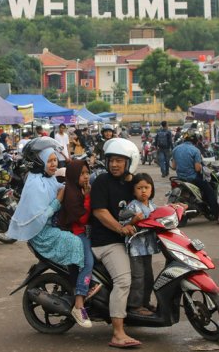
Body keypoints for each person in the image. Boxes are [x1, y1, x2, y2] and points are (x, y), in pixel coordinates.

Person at [6, 138, 91, 328]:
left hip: (52, 227)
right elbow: (40, 218)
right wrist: (58, 201)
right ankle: (80, 293)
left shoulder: (49, 179)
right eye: (49, 160)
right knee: (76, 243)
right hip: (43, 234)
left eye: (55, 160)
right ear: (40, 162)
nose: (54, 164)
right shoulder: (35, 185)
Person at [90, 138, 142, 348]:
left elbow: (145, 199)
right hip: (106, 242)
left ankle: (136, 309)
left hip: (126, 241)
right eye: (111, 160)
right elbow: (100, 212)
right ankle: (118, 333)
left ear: (130, 162)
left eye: (120, 160)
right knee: (123, 281)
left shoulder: (133, 183)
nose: (114, 164)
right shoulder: (102, 181)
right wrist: (121, 229)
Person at [57, 159, 102, 318]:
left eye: (87, 173)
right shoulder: (71, 192)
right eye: (81, 173)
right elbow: (81, 218)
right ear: (74, 174)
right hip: (74, 232)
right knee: (87, 262)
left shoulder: (80, 189)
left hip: (82, 231)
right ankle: (79, 300)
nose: (85, 176)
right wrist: (88, 197)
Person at [119, 173, 159, 317]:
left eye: (146, 187)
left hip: (147, 248)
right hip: (135, 249)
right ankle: (135, 306)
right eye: (139, 188)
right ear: (134, 190)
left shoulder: (153, 205)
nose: (143, 191)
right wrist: (133, 220)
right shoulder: (132, 207)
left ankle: (145, 302)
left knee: (149, 276)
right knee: (138, 277)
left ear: (151, 189)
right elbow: (122, 224)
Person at [171, 133, 219, 219]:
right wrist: (201, 166)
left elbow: (174, 167)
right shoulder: (195, 150)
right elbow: (197, 169)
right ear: (196, 142)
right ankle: (216, 214)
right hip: (192, 178)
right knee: (210, 191)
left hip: (180, 178)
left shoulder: (175, 149)